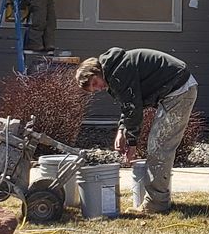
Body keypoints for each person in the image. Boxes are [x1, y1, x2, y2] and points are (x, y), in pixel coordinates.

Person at [75, 48, 197, 214]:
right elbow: (128, 105)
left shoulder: (118, 73)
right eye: (94, 89)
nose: (98, 88)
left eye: (95, 83)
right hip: (176, 89)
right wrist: (121, 130)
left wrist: (132, 144)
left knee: (159, 146)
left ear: (96, 71)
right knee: (158, 145)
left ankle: (156, 205)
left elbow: (134, 109)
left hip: (179, 90)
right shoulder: (115, 70)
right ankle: (158, 200)